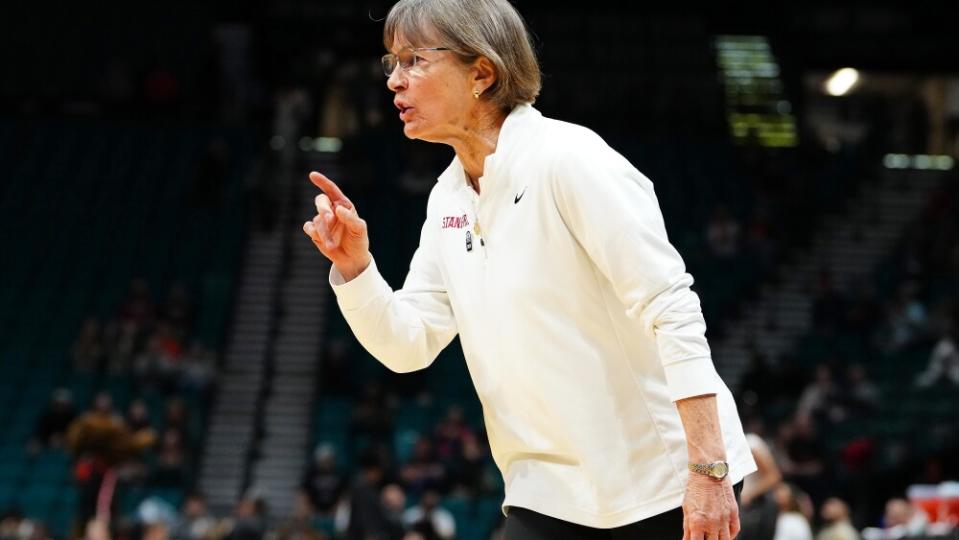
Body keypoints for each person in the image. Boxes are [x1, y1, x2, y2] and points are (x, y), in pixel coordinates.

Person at [303, 0, 756, 536]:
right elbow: (408, 345)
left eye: (413, 61)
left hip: (662, 483)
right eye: (391, 64)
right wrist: (356, 269)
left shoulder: (571, 160)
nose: (394, 82)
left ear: (481, 73)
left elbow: (672, 309)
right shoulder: (447, 198)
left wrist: (706, 470)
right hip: (545, 494)